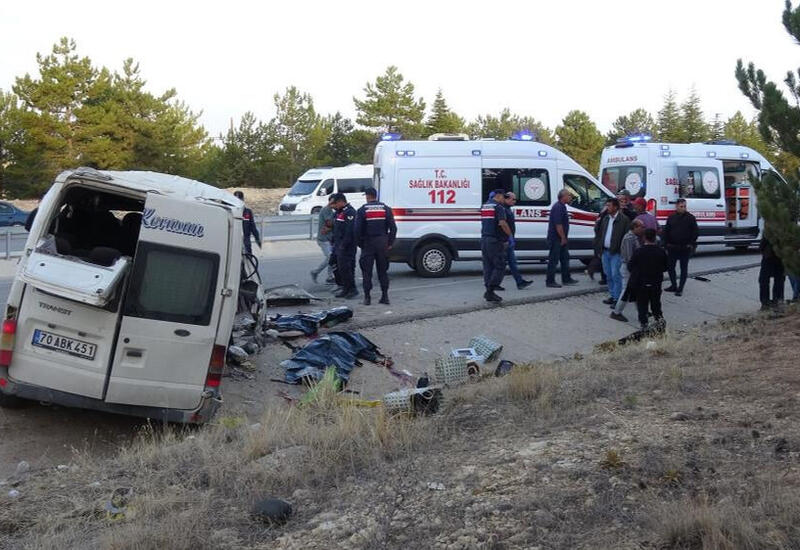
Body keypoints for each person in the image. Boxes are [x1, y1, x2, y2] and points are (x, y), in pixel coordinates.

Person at [355, 187, 397, 305]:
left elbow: (357, 230)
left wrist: (361, 244)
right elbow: (393, 228)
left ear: (367, 196)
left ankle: (367, 298)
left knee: (367, 272)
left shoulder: (362, 210)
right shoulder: (386, 209)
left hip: (368, 243)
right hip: (382, 243)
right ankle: (385, 296)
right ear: (376, 196)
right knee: (383, 271)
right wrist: (389, 243)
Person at [628, 228, 668, 330]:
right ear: (655, 238)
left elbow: (630, 266)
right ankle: (660, 323)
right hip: (656, 283)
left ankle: (644, 325)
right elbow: (666, 267)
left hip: (641, 283)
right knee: (656, 305)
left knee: (642, 306)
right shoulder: (661, 251)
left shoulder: (638, 251)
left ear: (644, 238)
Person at [595, 197, 631, 307]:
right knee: (608, 275)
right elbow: (599, 233)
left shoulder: (624, 220)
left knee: (616, 275)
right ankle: (612, 295)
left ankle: (617, 299)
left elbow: (626, 237)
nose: (607, 208)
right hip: (605, 251)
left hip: (616, 252)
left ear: (615, 207)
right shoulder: (605, 218)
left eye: (609, 206)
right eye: (606, 205)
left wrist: (622, 252)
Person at [610, 219, 645, 322]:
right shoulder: (630, 238)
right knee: (626, 290)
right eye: (641, 227)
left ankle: (642, 311)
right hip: (629, 268)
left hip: (629, 267)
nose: (642, 229)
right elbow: (630, 257)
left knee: (634, 291)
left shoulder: (633, 237)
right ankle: (617, 312)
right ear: (635, 227)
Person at [481, 189, 513, 302]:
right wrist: (510, 236)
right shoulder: (498, 207)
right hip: (495, 240)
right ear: (499, 196)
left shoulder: (485, 206)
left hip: (484, 239)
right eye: (503, 197)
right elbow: (502, 223)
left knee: (488, 266)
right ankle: (490, 291)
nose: (504, 200)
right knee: (500, 266)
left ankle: (488, 290)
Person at [663, 198, 698, 297]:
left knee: (683, 268)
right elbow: (666, 231)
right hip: (672, 247)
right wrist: (665, 244)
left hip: (684, 248)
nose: (683, 208)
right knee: (670, 267)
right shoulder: (671, 217)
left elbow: (695, 232)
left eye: (684, 206)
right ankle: (673, 285)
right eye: (681, 206)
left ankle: (680, 288)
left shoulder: (690, 218)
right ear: (677, 206)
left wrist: (691, 243)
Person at [546, 189, 579, 288]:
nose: (570, 197)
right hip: (556, 239)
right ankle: (550, 281)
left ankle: (566, 278)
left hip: (560, 238)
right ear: (563, 196)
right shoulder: (558, 207)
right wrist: (563, 237)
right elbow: (558, 224)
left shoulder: (562, 206)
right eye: (569, 195)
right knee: (553, 260)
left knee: (565, 259)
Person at [330, 193, 358, 299]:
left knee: (347, 268)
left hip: (347, 246)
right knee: (337, 266)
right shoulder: (339, 212)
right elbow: (336, 228)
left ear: (341, 201)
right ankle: (345, 287)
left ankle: (352, 289)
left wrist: (343, 245)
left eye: (335, 203)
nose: (334, 206)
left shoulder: (350, 212)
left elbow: (350, 231)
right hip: (338, 244)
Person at [503, 192, 533, 290]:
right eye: (513, 199)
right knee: (502, 264)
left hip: (508, 239)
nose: (515, 201)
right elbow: (503, 225)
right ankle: (492, 284)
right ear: (507, 199)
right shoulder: (503, 209)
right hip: (505, 240)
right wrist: (509, 237)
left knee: (511, 263)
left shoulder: (507, 209)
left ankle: (519, 282)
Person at [310, 198, 336, 284]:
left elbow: (329, 226)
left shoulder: (331, 211)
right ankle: (315, 272)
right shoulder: (326, 210)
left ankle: (330, 277)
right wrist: (338, 222)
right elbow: (329, 223)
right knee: (330, 257)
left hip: (329, 239)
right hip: (323, 239)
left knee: (332, 257)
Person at [758, 236, 785, 310]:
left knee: (764, 280)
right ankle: (777, 300)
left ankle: (766, 302)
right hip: (780, 256)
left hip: (769, 256)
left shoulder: (770, 227)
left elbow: (763, 242)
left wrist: (762, 249)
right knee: (779, 279)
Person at [234, 191, 262, 255]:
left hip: (246, 242)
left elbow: (253, 227)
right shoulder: (231, 212)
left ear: (243, 199)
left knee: (248, 259)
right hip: (235, 242)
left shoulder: (247, 212)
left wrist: (258, 240)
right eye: (236, 200)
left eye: (239, 199)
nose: (238, 202)